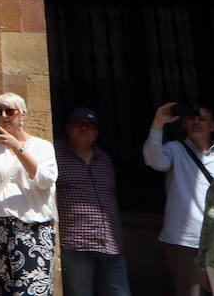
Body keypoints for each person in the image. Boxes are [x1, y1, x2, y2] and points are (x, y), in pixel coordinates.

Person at [0, 93, 58, 296]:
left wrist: (16, 147)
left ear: (23, 115)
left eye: (10, 111)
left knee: (32, 292)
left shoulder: (42, 147)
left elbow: (45, 179)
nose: (4, 116)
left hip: (33, 229)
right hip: (0, 229)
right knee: (4, 291)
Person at [143, 101, 214, 296]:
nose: (196, 123)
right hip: (183, 241)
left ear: (212, 125)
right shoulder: (176, 149)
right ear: (183, 123)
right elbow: (153, 159)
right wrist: (158, 122)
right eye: (191, 118)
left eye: (202, 119)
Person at [54, 107, 130, 296]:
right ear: (68, 128)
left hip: (110, 244)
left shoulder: (104, 159)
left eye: (90, 125)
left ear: (97, 131)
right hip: (75, 243)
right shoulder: (55, 154)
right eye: (79, 124)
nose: (85, 129)